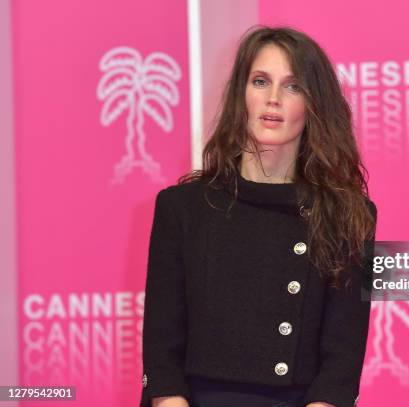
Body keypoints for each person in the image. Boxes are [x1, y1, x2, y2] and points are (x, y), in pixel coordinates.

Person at [139, 26, 377, 407]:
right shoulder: (181, 208)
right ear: (241, 95)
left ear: (315, 104)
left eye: (293, 86)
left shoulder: (348, 215)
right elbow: (162, 355)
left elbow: (340, 369)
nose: (273, 99)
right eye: (261, 81)